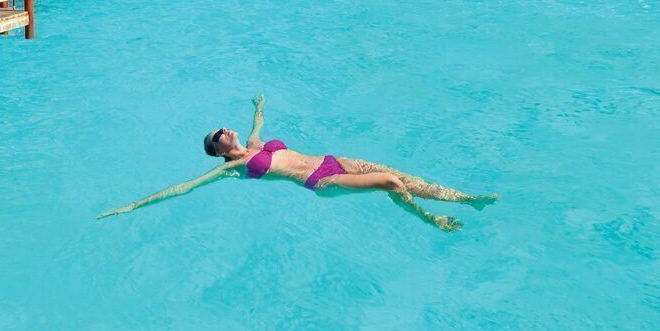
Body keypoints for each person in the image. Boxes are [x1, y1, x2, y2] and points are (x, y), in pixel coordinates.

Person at [98, 96, 497, 231]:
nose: (223, 130)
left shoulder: (254, 143)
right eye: (217, 136)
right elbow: (186, 186)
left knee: (403, 175)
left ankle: (464, 200)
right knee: (391, 182)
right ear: (219, 150)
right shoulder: (231, 168)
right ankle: (434, 222)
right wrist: (133, 205)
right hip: (322, 182)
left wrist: (259, 105)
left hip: (331, 159)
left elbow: (259, 123)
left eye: (221, 128)